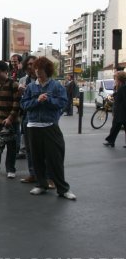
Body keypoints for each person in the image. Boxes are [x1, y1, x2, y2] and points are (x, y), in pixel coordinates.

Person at [21, 57, 76, 200]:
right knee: (36, 157)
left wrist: (49, 100)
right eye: (36, 69)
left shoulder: (56, 86)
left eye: (41, 70)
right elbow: (24, 105)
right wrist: (37, 101)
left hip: (50, 125)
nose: (38, 72)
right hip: (33, 126)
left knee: (55, 158)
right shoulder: (31, 87)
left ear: (48, 70)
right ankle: (41, 184)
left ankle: (63, 188)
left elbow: (63, 104)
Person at [103, 71, 126, 148]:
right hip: (120, 110)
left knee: (115, 126)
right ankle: (111, 141)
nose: (114, 79)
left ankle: (111, 141)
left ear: (119, 78)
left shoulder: (123, 87)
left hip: (121, 111)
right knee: (115, 127)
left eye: (115, 78)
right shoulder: (120, 86)